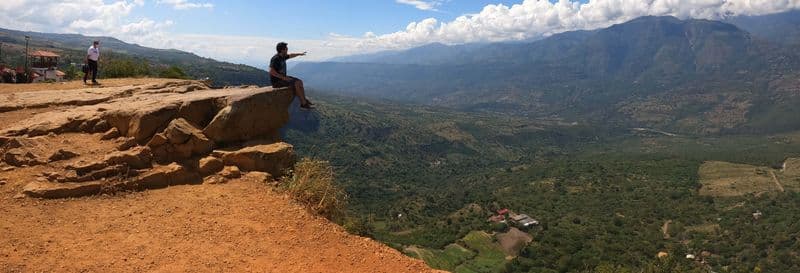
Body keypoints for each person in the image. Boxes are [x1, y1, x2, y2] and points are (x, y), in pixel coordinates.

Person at [270, 42, 313, 109]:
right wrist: (284, 78)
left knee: (300, 81)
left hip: (282, 78)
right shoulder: (276, 59)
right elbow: (271, 71)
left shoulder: (282, 57)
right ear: (282, 50)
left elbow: (291, 55)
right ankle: (303, 104)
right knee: (296, 83)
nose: (287, 50)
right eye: (286, 49)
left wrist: (299, 54)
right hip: (277, 82)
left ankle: (304, 99)